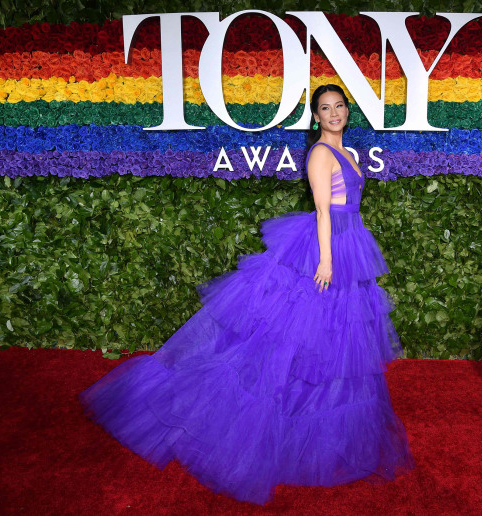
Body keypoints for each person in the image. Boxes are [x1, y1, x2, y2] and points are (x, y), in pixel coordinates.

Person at [79, 84, 415, 505]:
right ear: (316, 118)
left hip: (349, 244)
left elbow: (350, 207)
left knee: (332, 339)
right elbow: (323, 210)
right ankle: (241, 414)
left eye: (338, 107)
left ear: (348, 112)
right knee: (293, 334)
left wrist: (346, 256)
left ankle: (314, 416)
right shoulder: (320, 154)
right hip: (325, 248)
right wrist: (326, 261)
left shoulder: (348, 154)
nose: (333, 114)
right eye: (325, 109)